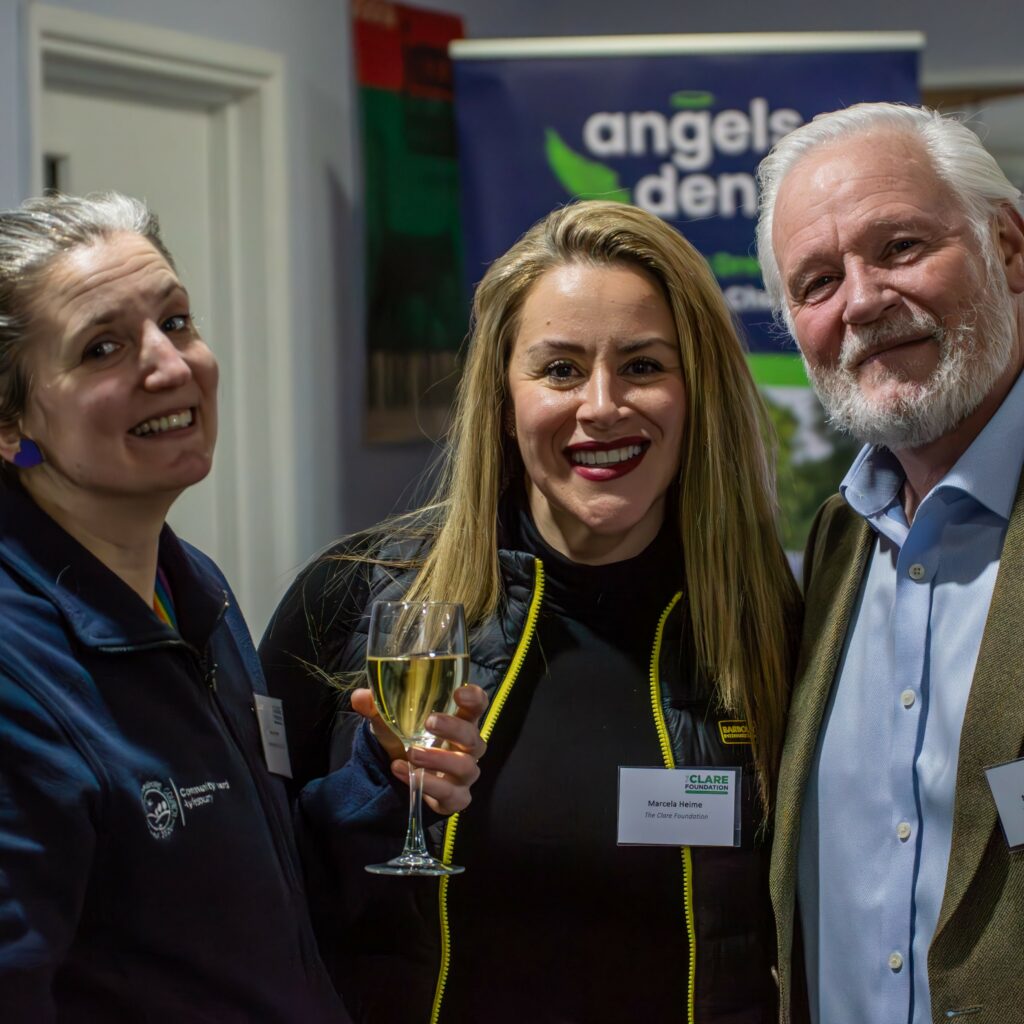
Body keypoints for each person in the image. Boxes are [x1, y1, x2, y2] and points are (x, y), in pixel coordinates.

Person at [261, 199, 801, 1024]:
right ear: (502, 396)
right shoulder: (353, 597)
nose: (601, 405)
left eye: (645, 366)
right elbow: (259, 888)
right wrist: (381, 790)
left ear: (699, 390)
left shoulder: (776, 624)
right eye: (558, 369)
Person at [0, 191, 484, 1021]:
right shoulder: (17, 668)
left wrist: (385, 777)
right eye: (104, 347)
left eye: (177, 322)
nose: (171, 364)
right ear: (10, 423)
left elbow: (262, 881)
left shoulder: (196, 592)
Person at [755, 102, 1024, 1024]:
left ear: (1010, 250)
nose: (862, 301)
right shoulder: (836, 542)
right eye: (818, 280)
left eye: (901, 247)